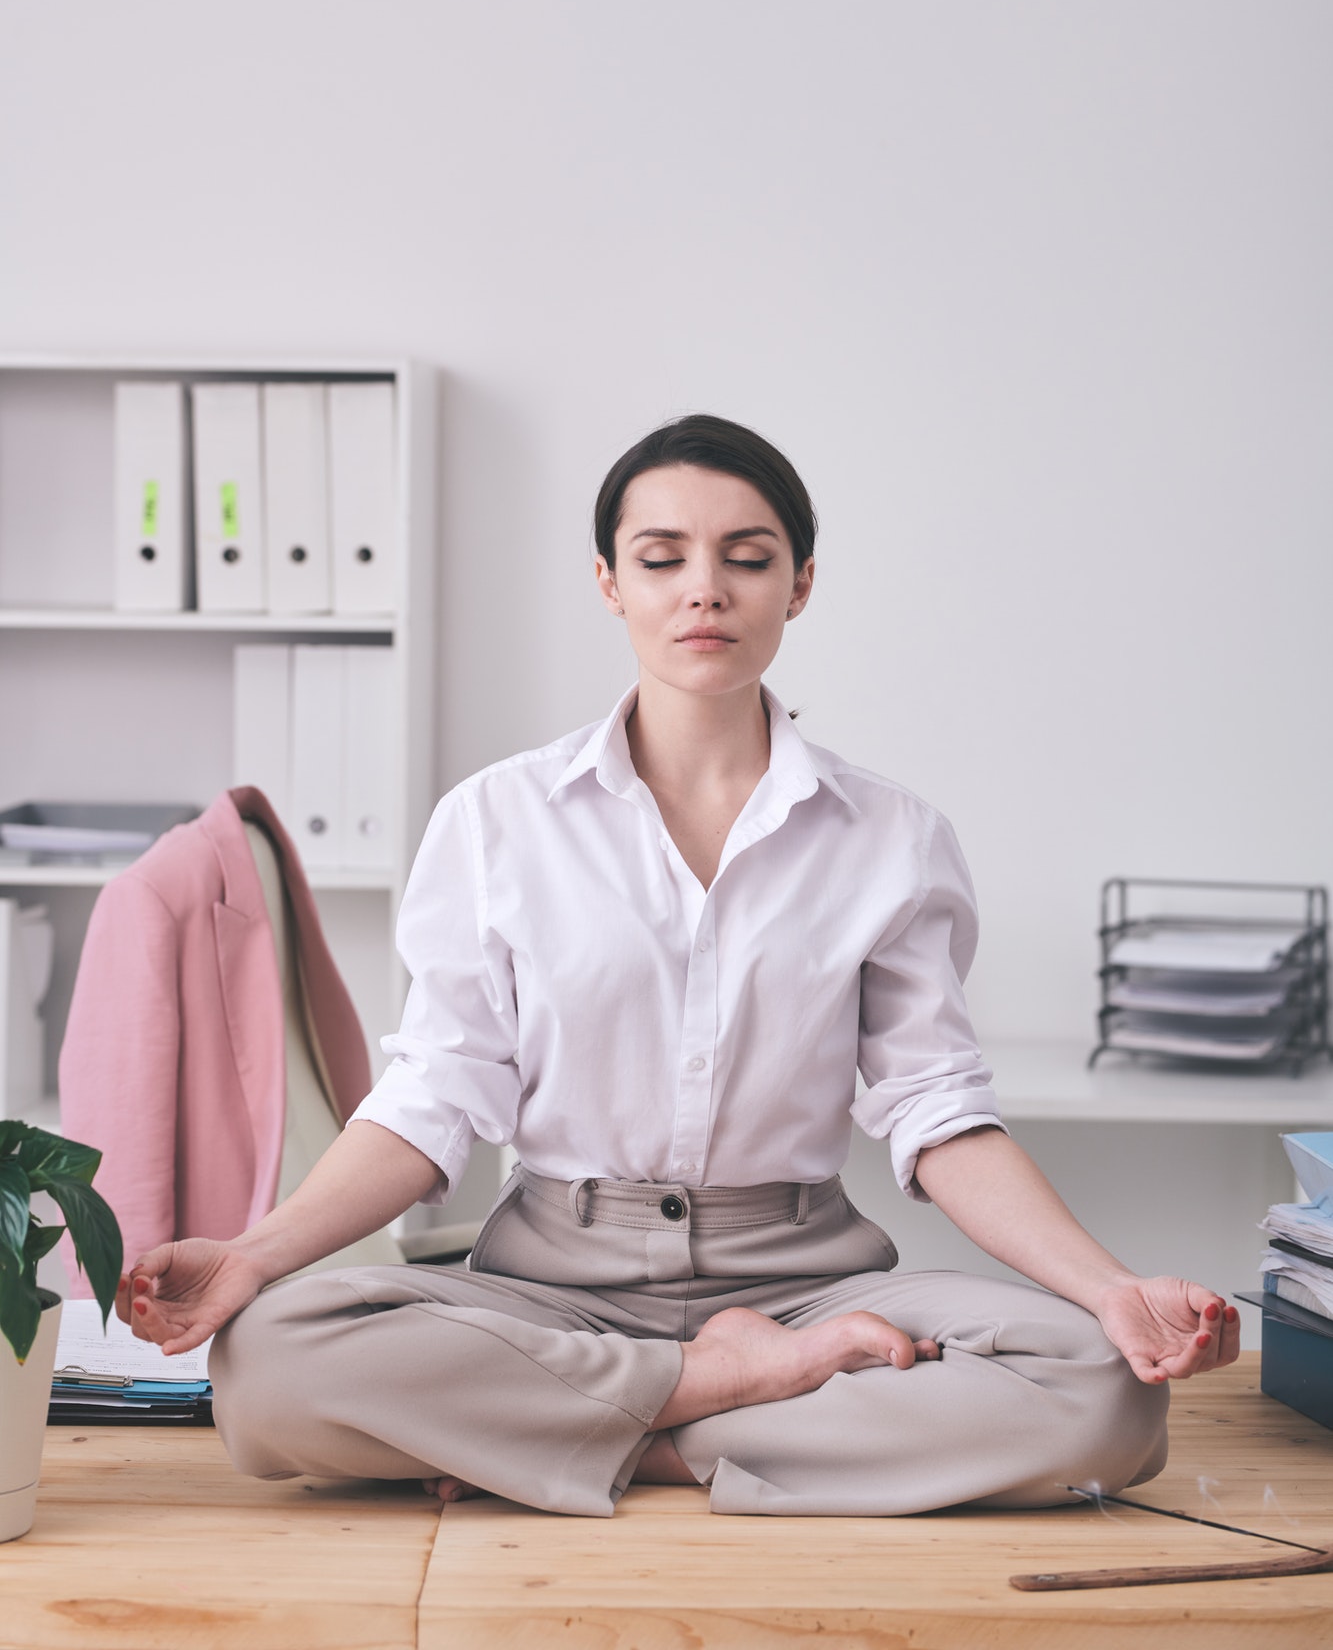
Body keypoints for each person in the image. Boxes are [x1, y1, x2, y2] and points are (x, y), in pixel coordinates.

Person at [118, 414, 1239, 1518]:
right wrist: (253, 1255)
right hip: (549, 1287)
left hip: (806, 1279)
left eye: (746, 558)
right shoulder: (496, 820)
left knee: (1100, 1393)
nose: (704, 588)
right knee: (268, 1358)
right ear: (609, 581)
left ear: (798, 584)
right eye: (662, 558)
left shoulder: (891, 837)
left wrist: (1111, 1288)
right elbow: (433, 1098)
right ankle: (722, 1395)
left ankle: (587, 1437)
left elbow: (938, 1113)